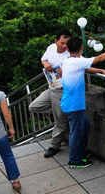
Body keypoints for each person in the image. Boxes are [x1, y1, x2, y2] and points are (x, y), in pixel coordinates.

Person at [60, 38, 105, 168]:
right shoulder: (76, 62)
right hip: (74, 105)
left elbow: (86, 69)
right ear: (80, 49)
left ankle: (80, 153)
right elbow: (100, 58)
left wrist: (99, 71)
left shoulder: (68, 61)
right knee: (76, 132)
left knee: (85, 126)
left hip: (71, 103)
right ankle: (74, 160)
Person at [29, 30, 71, 158]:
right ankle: (60, 118)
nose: (64, 46)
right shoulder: (51, 48)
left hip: (63, 89)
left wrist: (63, 71)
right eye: (62, 43)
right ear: (56, 41)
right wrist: (46, 64)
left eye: (67, 43)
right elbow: (44, 59)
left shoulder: (69, 54)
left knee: (60, 120)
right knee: (34, 106)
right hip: (52, 87)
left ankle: (54, 146)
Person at [0, 89, 21, 192]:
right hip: (0, 134)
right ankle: (15, 181)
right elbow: (6, 114)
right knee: (7, 156)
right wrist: (11, 128)